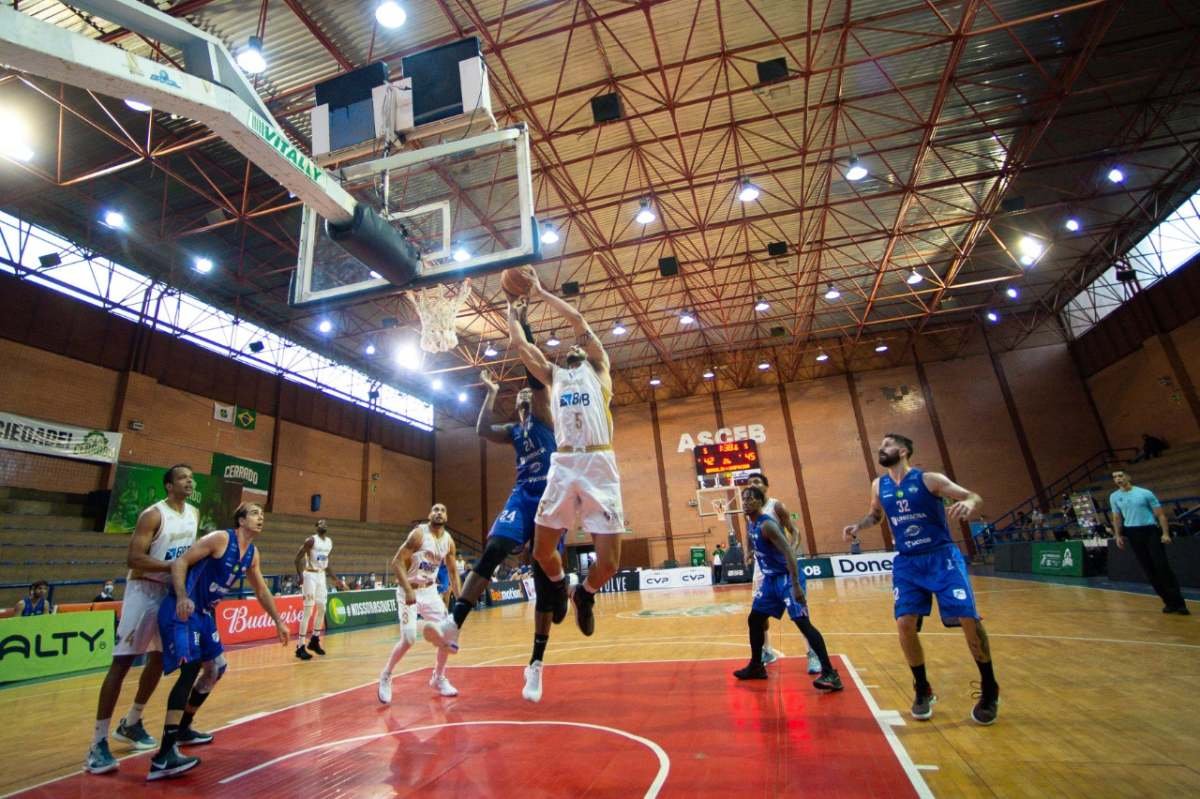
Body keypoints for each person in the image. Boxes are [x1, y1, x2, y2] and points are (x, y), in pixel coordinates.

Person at [842, 433, 1000, 725]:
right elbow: (876, 515)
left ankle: (989, 687)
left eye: (887, 445)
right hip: (907, 562)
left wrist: (969, 504)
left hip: (941, 557)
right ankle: (922, 688)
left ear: (903, 451)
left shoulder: (930, 480)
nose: (881, 448)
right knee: (904, 624)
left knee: (968, 619)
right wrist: (858, 525)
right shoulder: (879, 484)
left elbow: (972, 496)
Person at [505, 275, 626, 638]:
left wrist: (541, 294)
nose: (574, 347)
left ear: (586, 354)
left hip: (599, 465)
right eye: (571, 348)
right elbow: (520, 345)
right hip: (564, 463)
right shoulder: (554, 376)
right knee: (542, 552)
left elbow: (579, 322)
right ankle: (558, 585)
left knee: (609, 564)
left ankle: (584, 595)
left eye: (579, 347)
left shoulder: (600, 372)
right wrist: (512, 310)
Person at [436, 364, 560, 701]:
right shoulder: (513, 431)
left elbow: (536, 383)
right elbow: (481, 429)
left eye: (527, 395)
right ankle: (455, 622)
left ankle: (535, 664)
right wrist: (490, 392)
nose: (523, 397)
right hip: (522, 496)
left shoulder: (546, 418)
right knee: (495, 547)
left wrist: (521, 325)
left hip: (550, 498)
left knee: (544, 583)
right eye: (517, 396)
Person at [149, 502, 288, 780]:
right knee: (190, 672)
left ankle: (185, 728)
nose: (260, 517)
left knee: (216, 669)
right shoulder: (221, 539)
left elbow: (261, 590)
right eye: (254, 513)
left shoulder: (252, 554)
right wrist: (181, 596)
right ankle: (163, 756)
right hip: (184, 609)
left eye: (262, 514)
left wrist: (278, 620)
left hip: (205, 615)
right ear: (240, 519)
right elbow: (180, 562)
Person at [85, 465, 199, 775]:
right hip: (142, 591)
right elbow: (133, 559)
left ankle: (132, 722)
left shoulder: (194, 514)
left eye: (191, 478)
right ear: (168, 485)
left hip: (168, 593)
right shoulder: (153, 514)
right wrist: (172, 566)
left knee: (159, 660)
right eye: (183, 477)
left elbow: (187, 557)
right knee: (122, 662)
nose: (189, 481)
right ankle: (97, 743)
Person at [734, 486, 842, 691]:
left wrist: (796, 585)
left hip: (787, 577)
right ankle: (757, 666)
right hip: (770, 579)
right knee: (755, 619)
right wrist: (749, 553)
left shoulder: (768, 525)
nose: (745, 502)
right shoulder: (751, 523)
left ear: (760, 502)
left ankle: (830, 673)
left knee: (802, 622)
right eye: (744, 499)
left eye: (750, 499)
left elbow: (790, 553)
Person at [377, 503, 463, 703]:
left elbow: (452, 571)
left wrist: (460, 599)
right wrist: (407, 589)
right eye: (435, 509)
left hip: (431, 591)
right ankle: (386, 675)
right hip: (409, 590)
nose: (439, 512)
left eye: (443, 510)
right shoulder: (418, 534)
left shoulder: (448, 541)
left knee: (446, 633)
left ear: (447, 517)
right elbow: (397, 561)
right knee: (408, 639)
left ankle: (438, 677)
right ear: (429, 515)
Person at [745, 473, 821, 675]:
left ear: (766, 487)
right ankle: (766, 651)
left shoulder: (777, 506)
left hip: (783, 565)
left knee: (799, 613)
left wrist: (792, 550)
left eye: (757, 482)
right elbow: (751, 534)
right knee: (759, 614)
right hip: (762, 568)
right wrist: (749, 552)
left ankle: (812, 654)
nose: (753, 486)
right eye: (750, 483)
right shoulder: (749, 509)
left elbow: (795, 530)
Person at [1110, 470, 1188, 615]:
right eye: (1115, 477)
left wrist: (1165, 533)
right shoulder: (1114, 497)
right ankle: (1168, 602)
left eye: (1120, 476)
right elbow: (1117, 517)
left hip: (1150, 531)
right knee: (1149, 570)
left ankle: (1179, 603)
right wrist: (1118, 535)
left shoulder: (1144, 493)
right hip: (1132, 533)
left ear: (1128, 477)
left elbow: (1160, 514)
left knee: (1162, 566)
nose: (1118, 479)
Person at [293, 519, 346, 661]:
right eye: (320, 523)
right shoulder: (311, 540)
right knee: (308, 610)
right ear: (316, 527)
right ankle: (300, 646)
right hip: (309, 575)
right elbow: (297, 559)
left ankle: (314, 640)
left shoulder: (329, 542)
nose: (323, 525)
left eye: (325, 523)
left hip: (321, 575)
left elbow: (327, 563)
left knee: (322, 608)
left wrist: (335, 579)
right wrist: (299, 576)